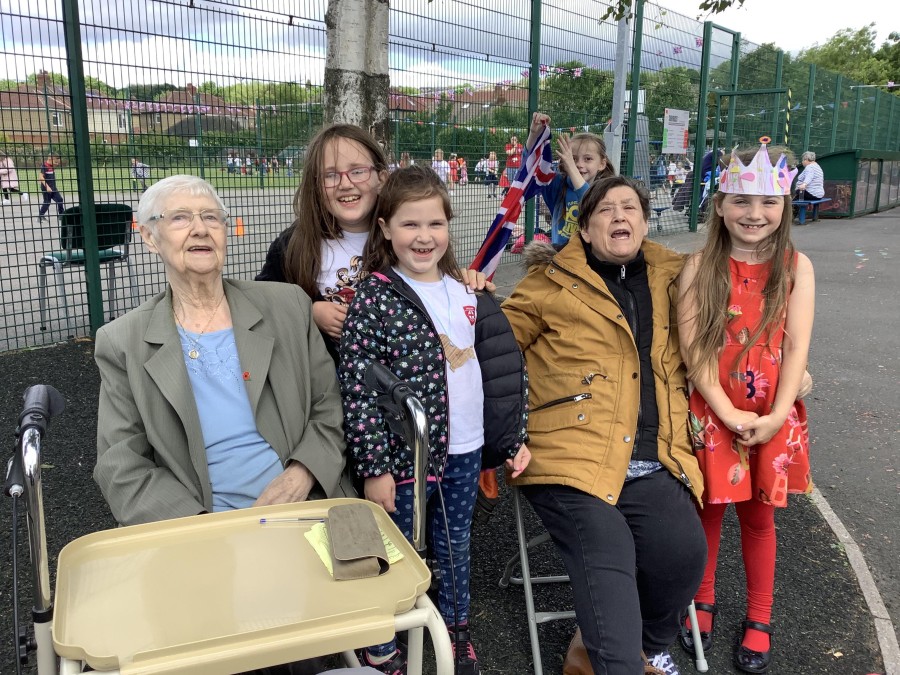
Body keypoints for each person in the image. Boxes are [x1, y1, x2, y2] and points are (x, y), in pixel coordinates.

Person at [502, 174, 707, 675]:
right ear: (585, 229)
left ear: (645, 222)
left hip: (652, 456)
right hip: (571, 456)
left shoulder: (678, 277)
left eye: (630, 207)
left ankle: (639, 647)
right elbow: (495, 349)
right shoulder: (549, 283)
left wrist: (791, 370)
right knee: (609, 553)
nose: (619, 216)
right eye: (605, 210)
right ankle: (618, 660)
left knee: (681, 554)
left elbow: (740, 320)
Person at [339, 164, 530, 675]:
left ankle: (455, 631)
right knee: (396, 549)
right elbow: (359, 390)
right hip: (407, 455)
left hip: (466, 449)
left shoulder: (468, 291)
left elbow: (503, 367)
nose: (424, 237)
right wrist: (375, 467)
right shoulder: (375, 297)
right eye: (410, 224)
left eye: (435, 224)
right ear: (385, 228)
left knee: (454, 544)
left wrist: (514, 436)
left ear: (448, 226)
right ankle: (383, 641)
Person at [94, 174, 352, 531]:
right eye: (180, 218)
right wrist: (206, 530)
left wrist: (302, 474)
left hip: (309, 504)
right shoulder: (122, 341)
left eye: (211, 217)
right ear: (149, 237)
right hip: (199, 528)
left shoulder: (288, 306)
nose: (200, 229)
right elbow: (121, 465)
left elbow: (329, 405)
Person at [677, 142, 814, 674]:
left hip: (771, 413)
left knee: (759, 520)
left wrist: (777, 416)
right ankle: (702, 599)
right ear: (719, 205)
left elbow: (796, 348)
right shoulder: (699, 267)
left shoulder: (796, 268)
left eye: (767, 202)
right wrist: (725, 411)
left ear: (784, 206)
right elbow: (695, 350)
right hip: (715, 412)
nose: (754, 213)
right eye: (741, 200)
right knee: (707, 511)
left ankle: (760, 615)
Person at [256, 125, 490, 364]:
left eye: (357, 171)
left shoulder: (407, 236)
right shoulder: (294, 244)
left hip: (400, 375)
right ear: (315, 185)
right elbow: (260, 301)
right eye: (330, 175)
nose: (345, 183)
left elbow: (437, 284)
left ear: (382, 178)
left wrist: (464, 280)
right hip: (326, 379)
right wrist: (308, 312)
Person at [523, 112, 614, 246]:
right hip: (562, 256)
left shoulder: (608, 191)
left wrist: (571, 166)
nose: (579, 164)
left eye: (588, 159)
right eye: (573, 158)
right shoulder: (558, 185)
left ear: (602, 163)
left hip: (591, 257)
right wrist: (534, 134)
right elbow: (530, 165)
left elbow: (592, 201)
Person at [37, 153, 64, 223]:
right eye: (55, 161)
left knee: (60, 199)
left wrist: (56, 163)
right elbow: (41, 177)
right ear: (50, 159)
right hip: (46, 188)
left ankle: (61, 215)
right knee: (47, 202)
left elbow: (55, 163)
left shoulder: (52, 165)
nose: (56, 163)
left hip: (53, 187)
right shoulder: (44, 166)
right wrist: (47, 187)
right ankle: (40, 217)